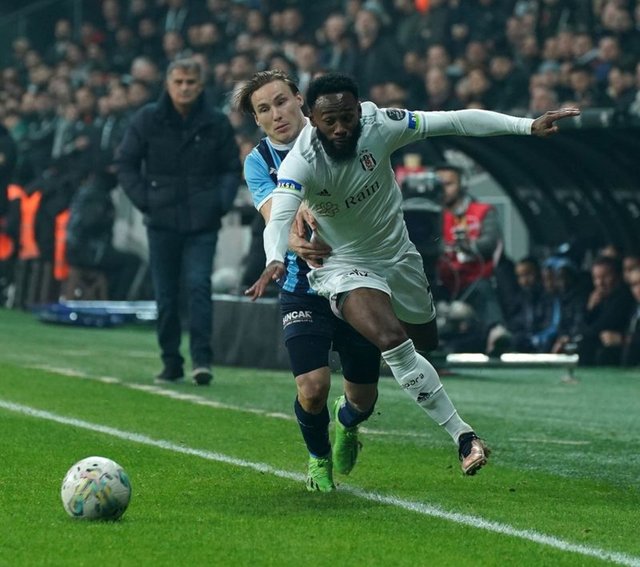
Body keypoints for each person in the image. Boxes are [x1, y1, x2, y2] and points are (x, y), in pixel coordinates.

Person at [247, 72, 580, 477]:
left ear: (358, 111)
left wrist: (526, 125)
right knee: (393, 343)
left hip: (399, 257)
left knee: (424, 343)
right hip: (342, 266)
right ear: (314, 121)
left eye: (347, 117)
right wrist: (274, 259)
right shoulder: (300, 160)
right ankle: (464, 436)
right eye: (329, 121)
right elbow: (279, 214)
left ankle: (348, 419)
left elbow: (454, 120)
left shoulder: (381, 124)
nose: (340, 129)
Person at [235, 70, 381, 492]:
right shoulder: (259, 161)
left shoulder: (337, 135)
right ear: (257, 120)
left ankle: (348, 422)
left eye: (281, 101)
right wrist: (292, 234)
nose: (276, 114)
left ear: (300, 99)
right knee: (312, 387)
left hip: (358, 279)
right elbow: (273, 214)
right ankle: (318, 458)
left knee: (363, 399)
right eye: (264, 109)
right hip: (304, 288)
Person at [116, 57, 241, 386]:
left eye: (191, 82)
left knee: (199, 286)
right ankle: (171, 360)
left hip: (203, 221)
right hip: (161, 221)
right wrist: (146, 201)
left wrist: (219, 203)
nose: (184, 88)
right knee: (166, 294)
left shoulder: (216, 122)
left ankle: (202, 360)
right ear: (168, 84)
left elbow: (231, 167)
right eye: (179, 82)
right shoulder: (147, 119)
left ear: (201, 86)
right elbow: (125, 163)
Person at [436, 163, 511, 356]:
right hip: (439, 281)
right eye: (439, 184)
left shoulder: (483, 211)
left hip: (473, 281)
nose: (443, 189)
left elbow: (490, 242)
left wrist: (467, 245)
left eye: (449, 184)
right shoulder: (431, 215)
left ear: (461, 184)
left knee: (484, 290)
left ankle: (496, 333)